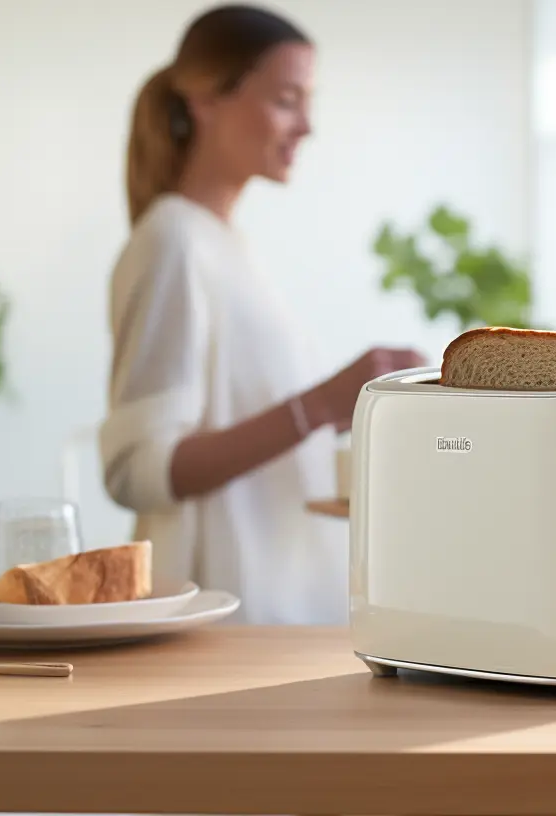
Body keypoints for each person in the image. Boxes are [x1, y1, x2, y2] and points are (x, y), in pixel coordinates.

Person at [99, 3, 425, 625]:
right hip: (225, 629)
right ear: (204, 100)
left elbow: (259, 430)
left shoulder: (225, 246)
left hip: (277, 612)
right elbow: (138, 470)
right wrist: (323, 403)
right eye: (286, 99)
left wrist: (361, 402)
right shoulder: (172, 242)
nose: (306, 126)